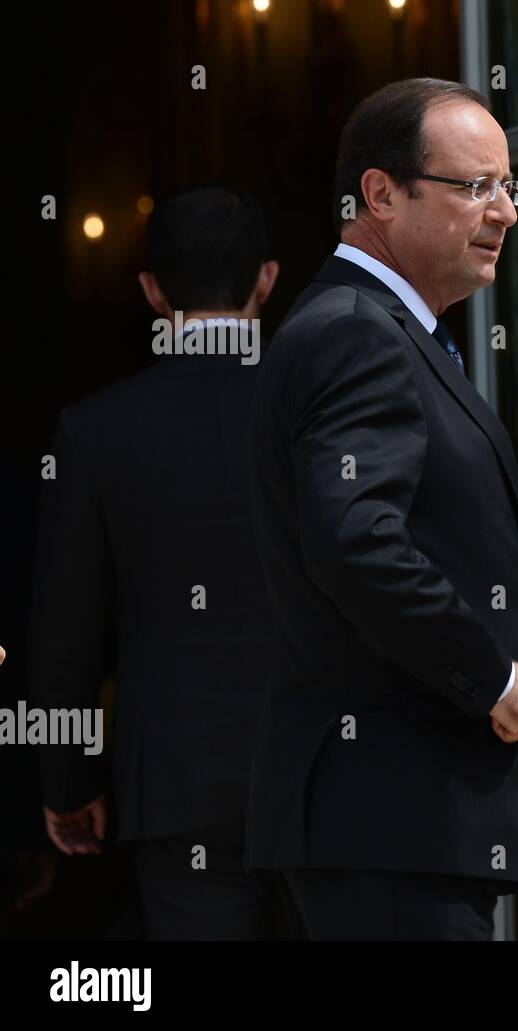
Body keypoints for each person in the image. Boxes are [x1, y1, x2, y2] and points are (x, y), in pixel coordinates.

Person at [245, 78, 518, 940]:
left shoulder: (388, 329)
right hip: (393, 815)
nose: (505, 212)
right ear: (381, 195)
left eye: (510, 187)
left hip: (400, 822)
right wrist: (488, 675)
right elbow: (356, 543)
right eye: (476, 187)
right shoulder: (357, 331)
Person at [29, 186, 287, 939]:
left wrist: (67, 783)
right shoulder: (320, 410)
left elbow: (63, 630)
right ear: (266, 280)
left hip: (178, 785)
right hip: (324, 774)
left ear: (150, 291)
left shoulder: (96, 429)